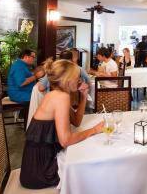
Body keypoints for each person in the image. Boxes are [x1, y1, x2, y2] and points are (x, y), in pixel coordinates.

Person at [20, 59, 104, 189]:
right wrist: (95, 130)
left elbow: (76, 121)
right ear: (67, 79)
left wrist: (83, 96)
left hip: (35, 165)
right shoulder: (60, 97)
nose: (80, 80)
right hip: (41, 171)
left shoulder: (57, 94)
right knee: (93, 169)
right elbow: (65, 140)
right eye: (77, 77)